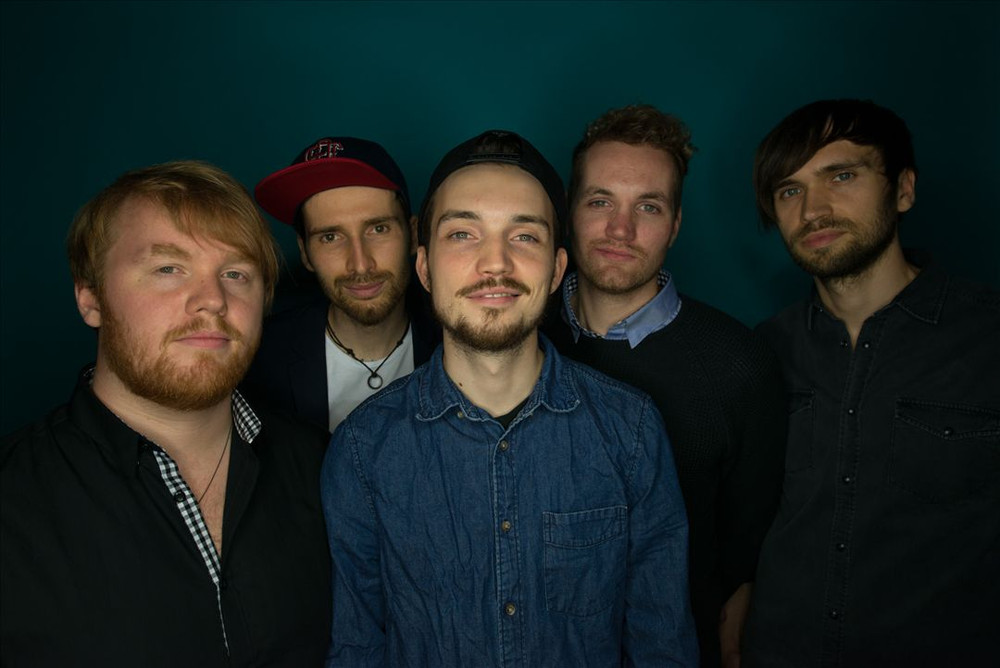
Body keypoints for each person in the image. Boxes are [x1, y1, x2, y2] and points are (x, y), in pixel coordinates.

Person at [321, 130, 698, 666]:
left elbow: (662, 647)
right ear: (424, 268)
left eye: (524, 236)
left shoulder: (631, 430)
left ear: (557, 269)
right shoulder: (362, 450)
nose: (494, 264)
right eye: (463, 234)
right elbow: (356, 649)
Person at [0, 161, 331, 667]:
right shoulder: (13, 502)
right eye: (168, 269)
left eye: (236, 274)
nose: (212, 301)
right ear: (90, 298)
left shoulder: (329, 468)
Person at [743, 99, 1000, 668]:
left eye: (842, 176)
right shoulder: (760, 354)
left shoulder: (988, 340)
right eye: (789, 190)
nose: (814, 210)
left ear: (903, 190)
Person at [543, 104, 786, 667]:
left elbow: (746, 553)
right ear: (569, 211)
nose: (620, 229)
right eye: (600, 201)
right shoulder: (520, 337)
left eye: (647, 207)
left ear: (675, 224)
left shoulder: (740, 363)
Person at [245, 136, 438, 432]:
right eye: (330, 237)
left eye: (378, 229)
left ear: (413, 235)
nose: (360, 264)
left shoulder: (457, 342)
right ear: (305, 252)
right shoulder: (256, 360)